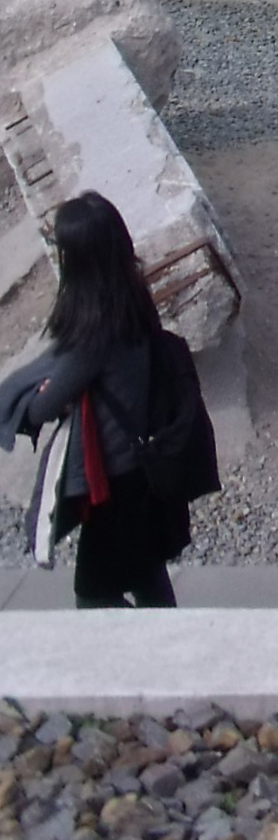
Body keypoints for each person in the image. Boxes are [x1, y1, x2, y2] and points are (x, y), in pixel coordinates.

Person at [0, 191, 199, 607]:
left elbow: (42, 407)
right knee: (148, 578)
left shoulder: (95, 333)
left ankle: (168, 646)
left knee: (93, 598)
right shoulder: (133, 300)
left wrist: (47, 392)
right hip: (143, 472)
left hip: (116, 486)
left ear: (79, 261)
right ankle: (176, 644)